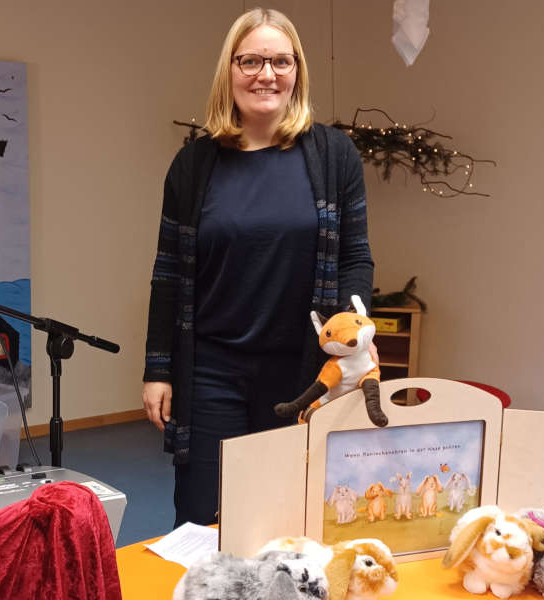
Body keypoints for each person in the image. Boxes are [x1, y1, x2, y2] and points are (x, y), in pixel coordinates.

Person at [142, 8, 374, 526]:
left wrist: (356, 330)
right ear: (230, 69)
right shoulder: (194, 164)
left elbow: (356, 255)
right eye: (250, 60)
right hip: (211, 370)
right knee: (204, 515)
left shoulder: (334, 155)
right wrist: (158, 369)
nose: (265, 75)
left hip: (301, 371)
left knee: (285, 514)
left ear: (297, 71)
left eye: (280, 61)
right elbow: (168, 274)